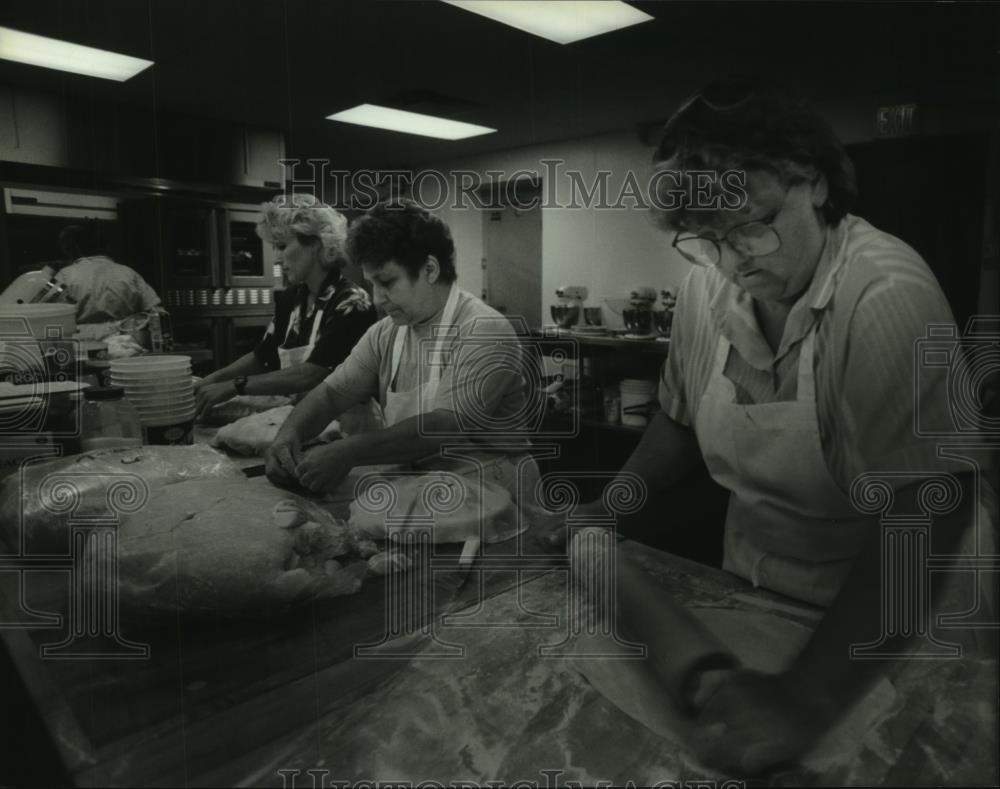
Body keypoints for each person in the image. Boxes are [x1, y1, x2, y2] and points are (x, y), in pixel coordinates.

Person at [554, 83, 995, 774]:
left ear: (812, 181)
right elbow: (678, 417)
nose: (735, 262)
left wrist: (805, 699)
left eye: (752, 226)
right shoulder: (712, 286)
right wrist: (609, 512)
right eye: (709, 240)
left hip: (894, 599)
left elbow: (927, 511)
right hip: (765, 573)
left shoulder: (883, 293)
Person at [265, 199, 539, 501]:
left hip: (492, 492)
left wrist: (348, 452)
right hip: (422, 486)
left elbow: (444, 426)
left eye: (386, 282)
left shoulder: (484, 330)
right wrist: (289, 434)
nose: (378, 299)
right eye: (371, 284)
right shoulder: (386, 333)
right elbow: (331, 394)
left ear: (430, 269)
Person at [194, 194, 376, 421]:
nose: (277, 259)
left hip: (347, 427)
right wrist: (210, 381)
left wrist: (235, 385)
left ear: (317, 245)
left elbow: (312, 374)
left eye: (282, 246)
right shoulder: (291, 298)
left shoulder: (352, 303)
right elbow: (263, 356)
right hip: (304, 420)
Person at [56, 222, 161, 323]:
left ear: (74, 249)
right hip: (125, 338)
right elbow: (155, 310)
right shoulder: (129, 273)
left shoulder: (64, 275)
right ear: (107, 247)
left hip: (81, 339)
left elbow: (46, 312)